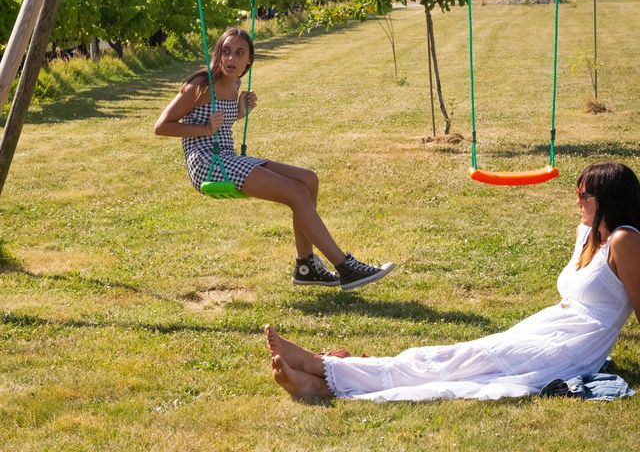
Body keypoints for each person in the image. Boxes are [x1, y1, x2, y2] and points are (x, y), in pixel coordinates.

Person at [265, 162, 640, 401]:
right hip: (548, 326)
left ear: (608, 198)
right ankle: (320, 381)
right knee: (449, 357)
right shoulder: (587, 232)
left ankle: (323, 371)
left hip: (575, 345)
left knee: (465, 366)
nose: (577, 200)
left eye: (584, 194)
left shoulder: (626, 241)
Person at [155, 28, 394, 290]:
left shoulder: (235, 84)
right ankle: (345, 267)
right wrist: (204, 130)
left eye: (239, 53)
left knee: (308, 179)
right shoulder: (200, 85)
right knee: (295, 192)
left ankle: (306, 267)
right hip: (207, 164)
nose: (231, 59)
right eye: (226, 52)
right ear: (218, 55)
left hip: (227, 158)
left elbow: (220, 122)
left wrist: (240, 111)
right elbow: (162, 126)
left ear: (249, 60)